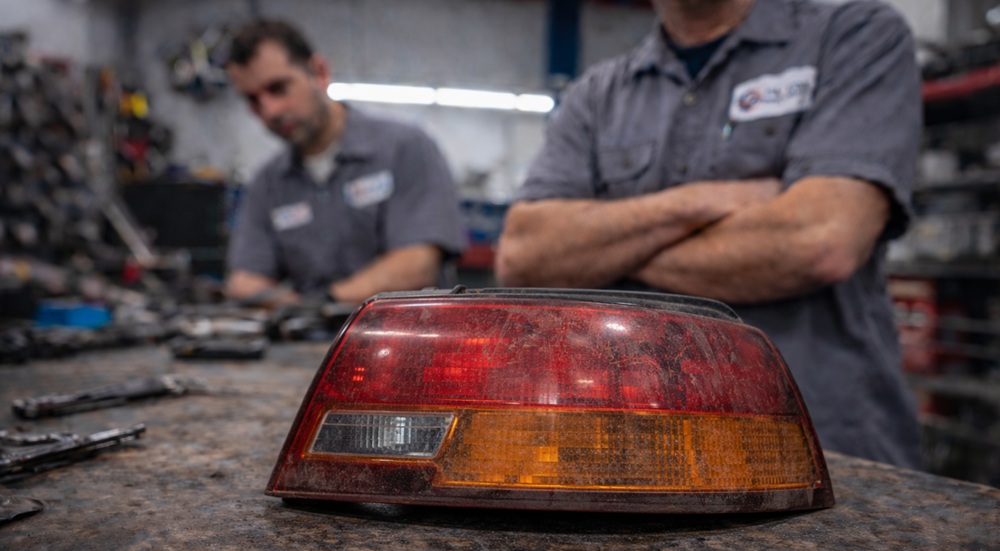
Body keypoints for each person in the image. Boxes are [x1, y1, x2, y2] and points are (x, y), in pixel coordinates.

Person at [495, 0, 924, 469]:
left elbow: (821, 240)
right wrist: (700, 203)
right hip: (635, 446)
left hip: (816, 448)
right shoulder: (598, 94)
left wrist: (605, 252)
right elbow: (523, 255)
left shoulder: (850, 36)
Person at [224, 19, 466, 306]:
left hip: (407, 331)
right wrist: (301, 311)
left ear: (319, 72)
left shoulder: (404, 148)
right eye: (253, 100)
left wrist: (320, 305)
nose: (269, 111)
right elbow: (244, 281)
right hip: (309, 332)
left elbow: (416, 265)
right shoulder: (268, 184)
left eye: (278, 88)